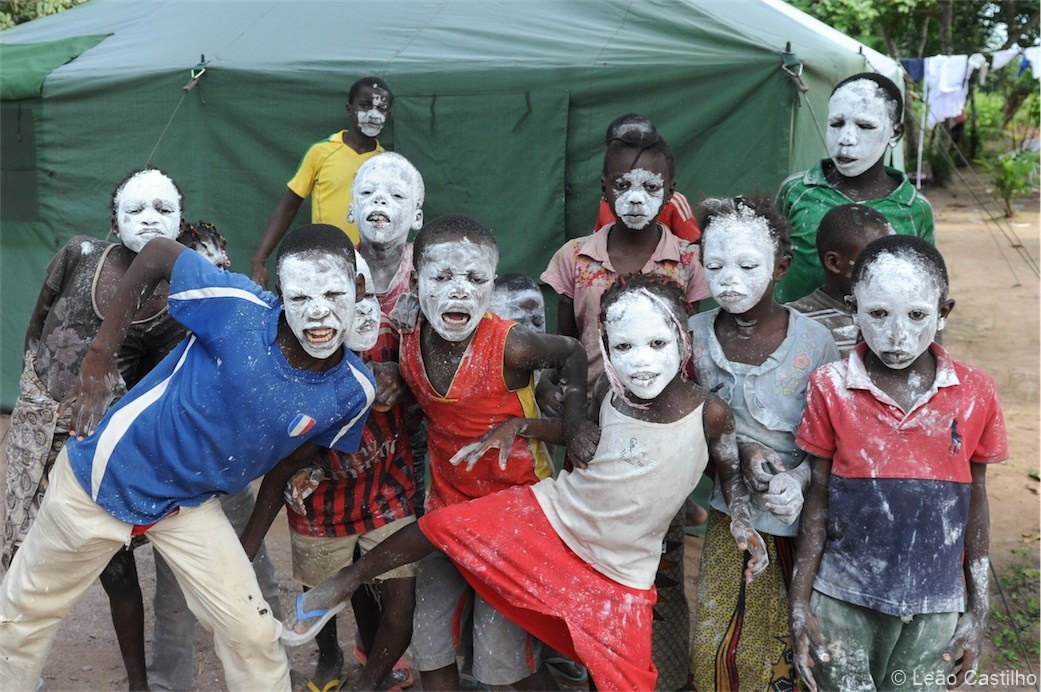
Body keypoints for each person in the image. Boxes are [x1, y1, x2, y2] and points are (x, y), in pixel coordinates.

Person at [280, 273, 768, 691]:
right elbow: (590, 441)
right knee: (446, 526)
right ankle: (341, 584)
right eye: (623, 347)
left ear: (683, 340)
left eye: (656, 344)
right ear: (606, 350)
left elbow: (727, 472)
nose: (640, 361)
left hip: (623, 571)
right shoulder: (608, 393)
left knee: (630, 680)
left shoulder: (710, 412)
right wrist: (524, 426)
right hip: (556, 518)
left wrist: (744, 524)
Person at [0, 224, 376, 690]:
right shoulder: (237, 308)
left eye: (334, 293)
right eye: (300, 297)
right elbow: (158, 252)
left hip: (188, 507)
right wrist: (99, 353)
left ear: (358, 289)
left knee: (252, 634)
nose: (318, 313)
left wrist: (246, 548)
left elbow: (286, 465)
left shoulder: (353, 391)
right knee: (21, 617)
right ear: (281, 292)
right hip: (105, 477)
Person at [361, 213, 592, 690]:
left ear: (490, 281)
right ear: (415, 278)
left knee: (502, 658)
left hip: (515, 515)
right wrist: (394, 377)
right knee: (429, 643)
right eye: (442, 277)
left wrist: (570, 426)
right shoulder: (406, 329)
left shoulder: (512, 347)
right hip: (447, 508)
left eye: (474, 278)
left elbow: (571, 352)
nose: (459, 290)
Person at [789, 235, 1007, 691]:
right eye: (878, 314)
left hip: (936, 609)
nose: (896, 335)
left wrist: (978, 611)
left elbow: (977, 501)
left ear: (943, 312)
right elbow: (818, 498)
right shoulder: (830, 386)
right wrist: (800, 602)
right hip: (842, 600)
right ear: (854, 308)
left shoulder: (974, 392)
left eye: (917, 315)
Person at [1, 168, 188, 691]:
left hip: (93, 446)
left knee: (116, 566)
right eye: (134, 210)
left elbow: (153, 386)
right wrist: (35, 382)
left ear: (180, 220)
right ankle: (15, 671)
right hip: (35, 427)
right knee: (18, 548)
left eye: (161, 209)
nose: (148, 219)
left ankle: (137, 683)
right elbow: (39, 317)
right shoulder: (80, 254)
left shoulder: (169, 304)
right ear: (113, 219)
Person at [544, 126, 709, 689]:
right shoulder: (574, 258)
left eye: (651, 185)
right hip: (592, 431)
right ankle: (585, 670)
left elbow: (696, 356)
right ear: (604, 188)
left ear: (671, 190)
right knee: (583, 556)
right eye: (623, 184)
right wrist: (573, 420)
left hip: (659, 434)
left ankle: (661, 674)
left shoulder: (688, 262)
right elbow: (565, 350)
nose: (636, 197)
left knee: (656, 567)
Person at [688, 196, 839, 692]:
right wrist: (740, 454)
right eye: (714, 265)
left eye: (748, 265)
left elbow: (832, 440)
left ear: (781, 267)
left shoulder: (814, 344)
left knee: (784, 649)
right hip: (727, 519)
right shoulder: (691, 338)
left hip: (801, 526)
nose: (729, 279)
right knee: (715, 644)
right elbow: (684, 429)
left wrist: (797, 479)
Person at [147, 221, 283, 692]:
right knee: (173, 596)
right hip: (176, 484)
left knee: (257, 572)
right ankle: (168, 683)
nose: (219, 268)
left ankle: (273, 661)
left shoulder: (243, 317)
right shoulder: (162, 325)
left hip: (228, 476)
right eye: (205, 262)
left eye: (222, 259)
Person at [278, 254, 418, 692]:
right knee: (322, 593)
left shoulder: (391, 341)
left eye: (364, 297)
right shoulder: (294, 349)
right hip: (321, 505)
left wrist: (401, 378)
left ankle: (370, 678)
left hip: (388, 490)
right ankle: (331, 655)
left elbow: (424, 391)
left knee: (399, 605)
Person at [775, 72, 935, 303]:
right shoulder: (796, 191)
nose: (846, 138)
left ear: (895, 133)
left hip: (877, 337)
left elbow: (927, 288)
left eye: (864, 125)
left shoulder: (915, 209)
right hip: (797, 335)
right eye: (836, 124)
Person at [251, 76, 394, 287]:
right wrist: (259, 260)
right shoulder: (321, 152)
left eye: (381, 108)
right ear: (349, 109)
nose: (373, 114)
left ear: (387, 115)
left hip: (370, 268)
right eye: (364, 105)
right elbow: (288, 208)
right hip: (324, 260)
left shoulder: (387, 164)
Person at [786, 203, 894, 356]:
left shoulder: (898, 315)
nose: (884, 272)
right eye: (872, 263)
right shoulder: (793, 323)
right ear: (834, 263)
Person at [591, 113, 701, 242]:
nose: (632, 153)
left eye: (652, 187)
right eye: (620, 148)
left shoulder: (675, 203)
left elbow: (692, 245)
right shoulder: (609, 199)